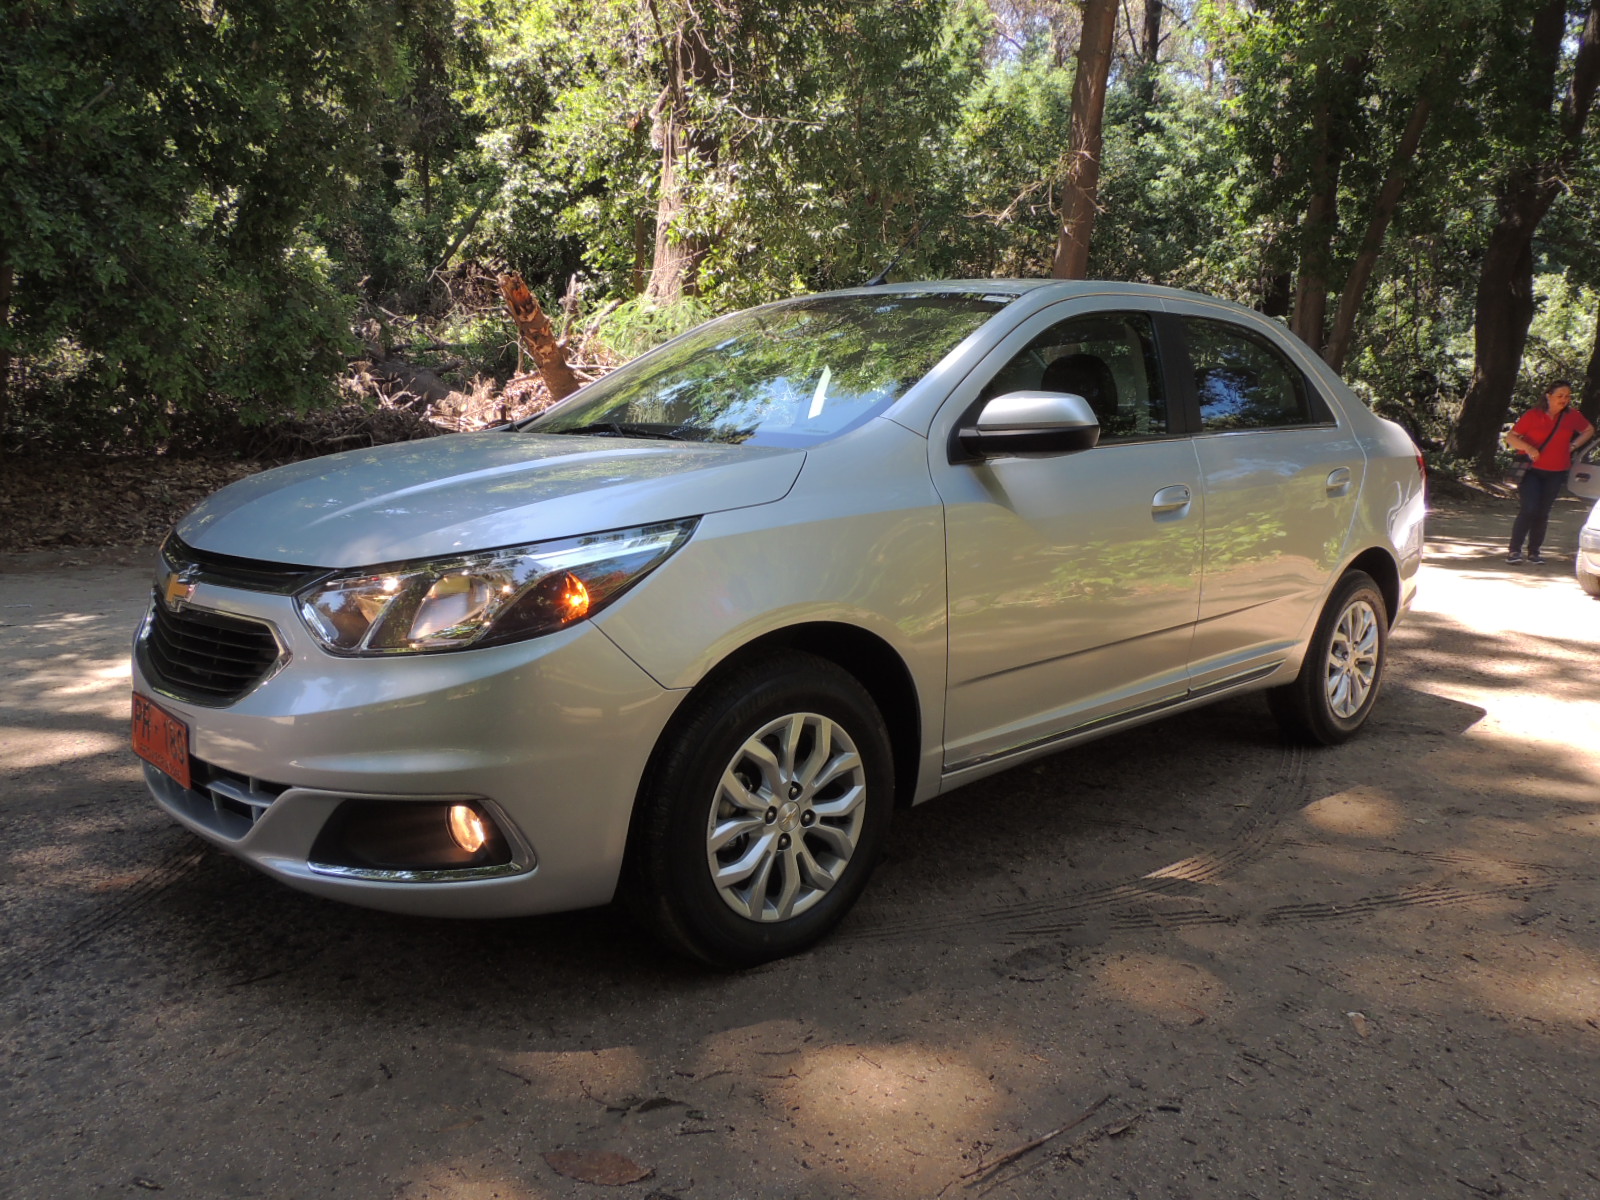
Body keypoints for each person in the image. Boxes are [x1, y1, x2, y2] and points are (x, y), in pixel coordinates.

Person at [1503, 380, 1594, 564]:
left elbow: (1589, 430)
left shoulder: (1572, 416)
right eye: (1560, 395)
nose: (1564, 399)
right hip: (1531, 470)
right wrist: (1529, 448)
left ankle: (1534, 552)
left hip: (1557, 471)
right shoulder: (1533, 415)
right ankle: (1514, 551)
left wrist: (1573, 446)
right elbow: (1511, 437)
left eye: (1567, 396)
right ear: (1548, 396)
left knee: (1543, 512)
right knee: (1529, 508)